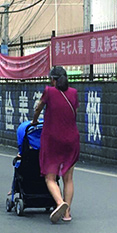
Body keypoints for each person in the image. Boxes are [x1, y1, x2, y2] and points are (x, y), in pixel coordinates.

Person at [30, 66, 80, 223]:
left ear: (53, 80)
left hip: (53, 140)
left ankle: (60, 203)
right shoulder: (73, 93)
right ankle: (67, 214)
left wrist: (34, 120)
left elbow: (38, 108)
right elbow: (75, 114)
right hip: (72, 139)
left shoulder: (49, 92)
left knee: (50, 177)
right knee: (68, 178)